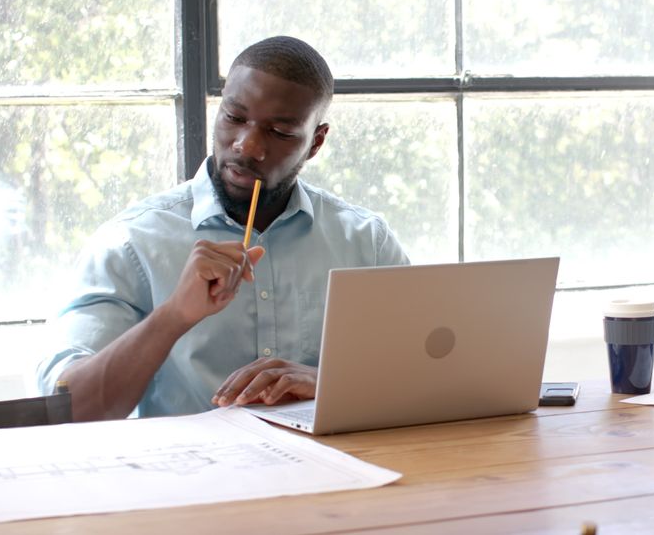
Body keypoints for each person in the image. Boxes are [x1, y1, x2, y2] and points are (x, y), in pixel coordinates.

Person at [37, 36, 409, 421]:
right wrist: (173, 316)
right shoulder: (132, 243)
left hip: (344, 475)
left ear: (315, 142)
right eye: (234, 118)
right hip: (188, 478)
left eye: (280, 133)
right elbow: (68, 410)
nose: (247, 147)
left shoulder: (367, 243)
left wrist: (331, 383)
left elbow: (431, 375)